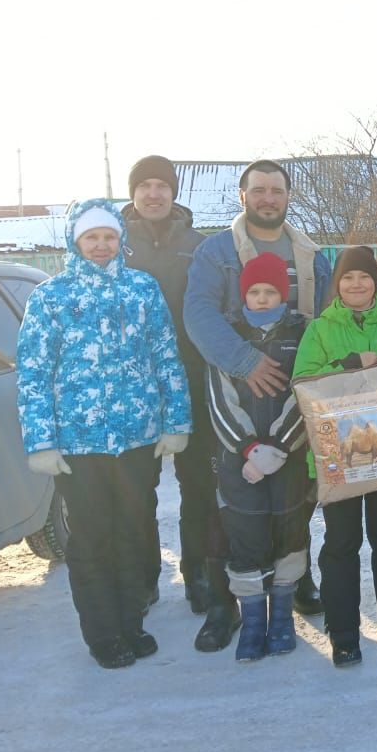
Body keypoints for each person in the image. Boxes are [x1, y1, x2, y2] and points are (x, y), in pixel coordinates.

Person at [16, 199, 191, 669]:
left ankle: (132, 621)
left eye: (108, 237)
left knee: (136, 533)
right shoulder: (50, 297)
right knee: (93, 539)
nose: (100, 245)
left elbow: (165, 356)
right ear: (76, 241)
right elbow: (33, 373)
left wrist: (176, 422)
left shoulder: (141, 289)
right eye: (91, 237)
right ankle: (102, 633)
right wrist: (43, 442)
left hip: (137, 438)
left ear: (120, 240)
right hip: (79, 443)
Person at [184, 159, 332, 635]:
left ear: (288, 197)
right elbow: (199, 313)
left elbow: (327, 320)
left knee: (296, 496)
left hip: (295, 397)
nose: (268, 198)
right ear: (243, 195)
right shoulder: (217, 252)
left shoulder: (311, 255)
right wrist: (245, 362)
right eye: (259, 190)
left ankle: (298, 579)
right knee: (232, 503)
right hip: (238, 398)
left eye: (277, 190)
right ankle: (225, 603)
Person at [292, 246, 377, 667]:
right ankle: (343, 634)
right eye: (348, 278)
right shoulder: (321, 329)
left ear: (375, 282)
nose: (357, 284)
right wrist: (350, 363)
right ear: (337, 285)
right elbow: (304, 382)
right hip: (337, 455)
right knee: (342, 543)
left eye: (364, 277)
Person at [122, 154, 220, 623]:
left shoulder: (199, 246)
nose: (154, 194)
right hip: (131, 388)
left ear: (175, 192)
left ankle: (198, 573)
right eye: (145, 186)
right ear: (133, 193)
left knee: (198, 483)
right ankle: (142, 579)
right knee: (136, 487)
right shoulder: (111, 245)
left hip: (190, 376)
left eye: (162, 185)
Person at [205, 253, 311, 662]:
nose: (262, 298)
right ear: (243, 294)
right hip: (240, 462)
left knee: (289, 531)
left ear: (283, 294)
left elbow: (306, 390)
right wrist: (249, 447)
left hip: (289, 456)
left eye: (271, 291)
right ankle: (252, 622)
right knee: (245, 536)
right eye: (254, 291)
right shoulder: (228, 335)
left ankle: (282, 620)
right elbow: (219, 400)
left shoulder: (302, 332)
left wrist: (281, 446)